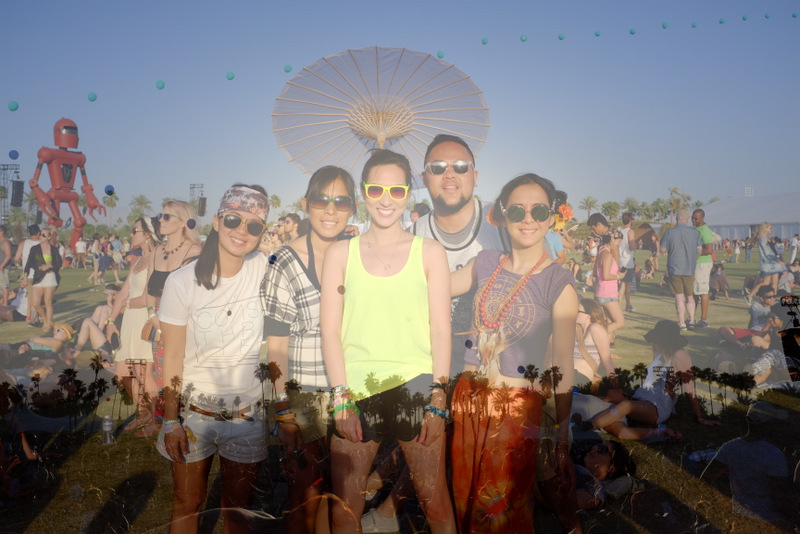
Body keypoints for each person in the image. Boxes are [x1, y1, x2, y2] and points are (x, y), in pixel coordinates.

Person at [320, 149, 454, 534]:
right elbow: (330, 331)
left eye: (397, 190)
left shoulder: (430, 252)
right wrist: (341, 396)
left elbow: (440, 329)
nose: (386, 199)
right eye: (376, 189)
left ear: (409, 193)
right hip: (357, 391)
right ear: (363, 192)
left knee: (435, 503)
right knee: (345, 508)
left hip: (416, 388)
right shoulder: (340, 253)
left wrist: (439, 397)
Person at [449, 173, 579, 533]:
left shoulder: (558, 282)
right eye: (518, 210)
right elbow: (435, 285)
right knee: (465, 501)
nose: (528, 219)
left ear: (552, 218)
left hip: (515, 413)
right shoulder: (485, 261)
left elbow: (563, 363)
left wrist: (562, 431)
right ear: (503, 215)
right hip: (468, 401)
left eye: (539, 210)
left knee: (499, 512)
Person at [157, 184, 271, 533]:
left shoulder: (265, 268)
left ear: (262, 233)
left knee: (239, 510)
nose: (242, 231)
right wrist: (170, 421)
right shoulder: (182, 282)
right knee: (187, 503)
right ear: (218, 221)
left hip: (247, 415)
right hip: (193, 415)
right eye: (234, 219)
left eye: (254, 225)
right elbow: (172, 355)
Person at [261, 165, 357, 533]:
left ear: (352, 209)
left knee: (341, 492)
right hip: (305, 394)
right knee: (306, 494)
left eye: (341, 202)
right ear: (306, 204)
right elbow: (277, 344)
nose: (330, 209)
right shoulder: (284, 260)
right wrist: (283, 407)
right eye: (321, 200)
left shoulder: (357, 255)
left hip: (350, 390)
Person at [589, 320, 720, 440]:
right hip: (644, 398)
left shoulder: (680, 355)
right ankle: (590, 417)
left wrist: (700, 417)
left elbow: (689, 389)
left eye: (656, 339)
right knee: (606, 399)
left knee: (625, 405)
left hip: (659, 406)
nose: (654, 343)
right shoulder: (659, 352)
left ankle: (589, 426)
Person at [701, 401, 798, 530]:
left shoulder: (730, 447)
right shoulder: (774, 454)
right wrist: (794, 518)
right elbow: (779, 496)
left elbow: (706, 478)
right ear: (767, 425)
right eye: (774, 422)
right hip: (771, 522)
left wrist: (724, 506)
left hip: (740, 521)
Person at [105, 217, 162, 436]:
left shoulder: (157, 257)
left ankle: (154, 421)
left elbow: (147, 297)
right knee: (122, 372)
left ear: (147, 234)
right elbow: (123, 293)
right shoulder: (138, 261)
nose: (130, 234)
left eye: (134, 230)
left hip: (146, 320)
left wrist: (128, 303)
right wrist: (111, 321)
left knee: (144, 372)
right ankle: (143, 412)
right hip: (130, 320)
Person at [145, 199, 202, 391]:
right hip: (158, 323)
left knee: (183, 373)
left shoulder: (194, 251)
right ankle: (166, 409)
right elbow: (149, 290)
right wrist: (152, 315)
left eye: (167, 216)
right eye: (160, 215)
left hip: (184, 323)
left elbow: (197, 294)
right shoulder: (155, 252)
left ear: (183, 223)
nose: (161, 220)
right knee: (162, 373)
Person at [659, 209, 702, 330]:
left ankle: (682, 322)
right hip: (689, 269)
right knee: (690, 296)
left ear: (677, 219)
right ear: (687, 219)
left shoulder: (669, 232)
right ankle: (692, 320)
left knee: (679, 297)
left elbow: (662, 249)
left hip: (675, 269)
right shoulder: (695, 233)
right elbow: (699, 249)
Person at [24, 226, 62, 333]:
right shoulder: (34, 249)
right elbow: (28, 264)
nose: (41, 236)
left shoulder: (53, 249)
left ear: (49, 237)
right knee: (35, 303)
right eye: (40, 234)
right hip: (38, 277)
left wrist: (49, 265)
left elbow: (59, 264)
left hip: (50, 277)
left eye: (44, 235)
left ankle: (47, 325)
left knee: (48, 302)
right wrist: (25, 277)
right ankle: (46, 320)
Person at [592, 225, 625, 343]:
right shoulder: (607, 255)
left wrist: (614, 272)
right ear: (612, 240)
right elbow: (606, 276)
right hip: (607, 294)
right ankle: (592, 336)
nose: (619, 244)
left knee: (610, 321)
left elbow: (595, 273)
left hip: (602, 292)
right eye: (618, 241)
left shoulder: (601, 252)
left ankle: (607, 347)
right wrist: (618, 276)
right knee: (620, 322)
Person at [574, 298, 616, 390]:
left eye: (578, 311)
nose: (574, 313)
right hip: (567, 374)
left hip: (578, 378)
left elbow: (607, 362)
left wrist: (615, 387)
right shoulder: (577, 330)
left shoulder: (596, 328)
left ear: (588, 315)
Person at [690, 209, 714, 328]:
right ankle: (691, 318)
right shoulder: (695, 229)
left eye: (696, 218)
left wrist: (694, 254)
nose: (693, 220)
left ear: (702, 218)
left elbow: (709, 250)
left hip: (703, 264)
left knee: (703, 291)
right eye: (692, 218)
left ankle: (703, 320)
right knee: (694, 291)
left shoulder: (705, 231)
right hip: (696, 264)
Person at [749, 222, 786, 296]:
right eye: (770, 228)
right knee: (766, 282)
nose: (771, 230)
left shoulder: (767, 238)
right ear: (765, 228)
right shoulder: (762, 238)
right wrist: (778, 260)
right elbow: (768, 252)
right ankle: (750, 295)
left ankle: (773, 297)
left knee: (775, 281)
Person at [617, 212, 637, 313]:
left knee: (623, 284)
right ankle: (619, 307)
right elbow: (632, 246)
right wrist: (636, 245)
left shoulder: (617, 230)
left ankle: (628, 304)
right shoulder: (630, 231)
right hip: (627, 261)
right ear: (630, 220)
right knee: (625, 285)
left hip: (618, 260)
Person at [0, 226, 12, 306]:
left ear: (2, 232)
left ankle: (5, 305)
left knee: (4, 287)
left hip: (3, 268)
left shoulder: (5, 242)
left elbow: (8, 255)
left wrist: (1, 266)